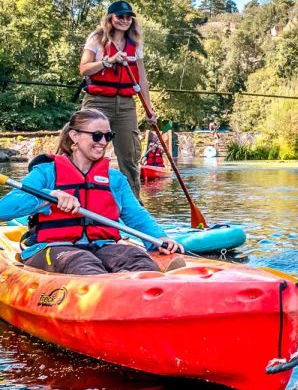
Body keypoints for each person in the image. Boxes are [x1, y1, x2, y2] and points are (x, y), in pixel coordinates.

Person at [0, 108, 183, 274]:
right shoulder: (46, 172)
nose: (103, 142)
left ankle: (134, 286)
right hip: (54, 248)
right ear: (74, 136)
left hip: (102, 246)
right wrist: (50, 195)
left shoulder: (115, 179)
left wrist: (158, 238)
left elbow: (136, 215)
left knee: (137, 259)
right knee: (82, 261)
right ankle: (111, 288)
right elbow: (4, 209)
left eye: (108, 136)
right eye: (96, 136)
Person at [79, 0, 157, 199]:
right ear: (110, 18)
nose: (124, 20)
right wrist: (107, 62)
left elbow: (142, 80)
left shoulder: (135, 43)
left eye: (128, 17)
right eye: (120, 16)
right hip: (97, 102)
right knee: (89, 151)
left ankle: (133, 206)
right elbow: (84, 69)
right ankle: (85, 200)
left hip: (126, 105)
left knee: (130, 157)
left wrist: (149, 109)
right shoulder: (96, 38)